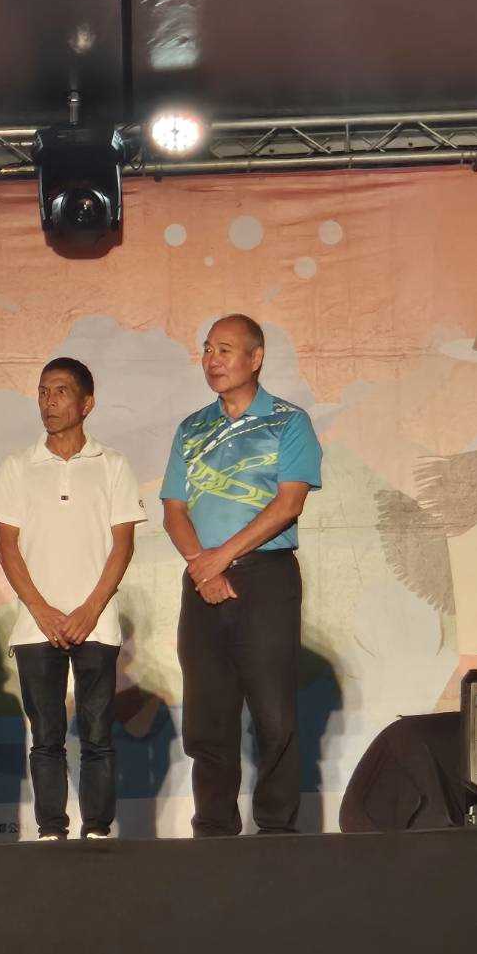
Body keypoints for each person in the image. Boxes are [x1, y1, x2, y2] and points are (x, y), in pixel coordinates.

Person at [161, 314, 321, 836]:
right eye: (208, 349)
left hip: (266, 578)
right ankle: (214, 830)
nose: (213, 360)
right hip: (202, 581)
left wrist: (220, 557)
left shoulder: (288, 421)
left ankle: (275, 831)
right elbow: (174, 510)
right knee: (207, 715)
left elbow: (289, 502)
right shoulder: (192, 428)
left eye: (225, 350)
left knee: (274, 715)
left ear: (256, 358)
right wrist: (202, 568)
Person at [0, 358, 144, 841]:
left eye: (60, 391)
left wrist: (89, 610)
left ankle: (97, 829)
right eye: (43, 391)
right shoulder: (17, 465)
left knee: (97, 734)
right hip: (37, 626)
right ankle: (51, 829)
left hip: (96, 622)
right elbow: (7, 546)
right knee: (46, 737)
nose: (49, 401)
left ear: (87, 403)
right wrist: (42, 610)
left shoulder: (113, 465)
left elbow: (123, 545)